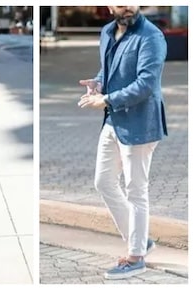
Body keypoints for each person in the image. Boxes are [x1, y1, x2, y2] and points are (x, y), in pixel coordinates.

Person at [77, 6, 167, 280]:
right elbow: (109, 70)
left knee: (136, 190)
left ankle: (136, 256)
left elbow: (146, 84)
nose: (126, 5)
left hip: (140, 123)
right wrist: (98, 83)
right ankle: (140, 239)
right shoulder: (107, 32)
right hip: (113, 121)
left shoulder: (151, 36)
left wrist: (105, 99)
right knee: (103, 182)